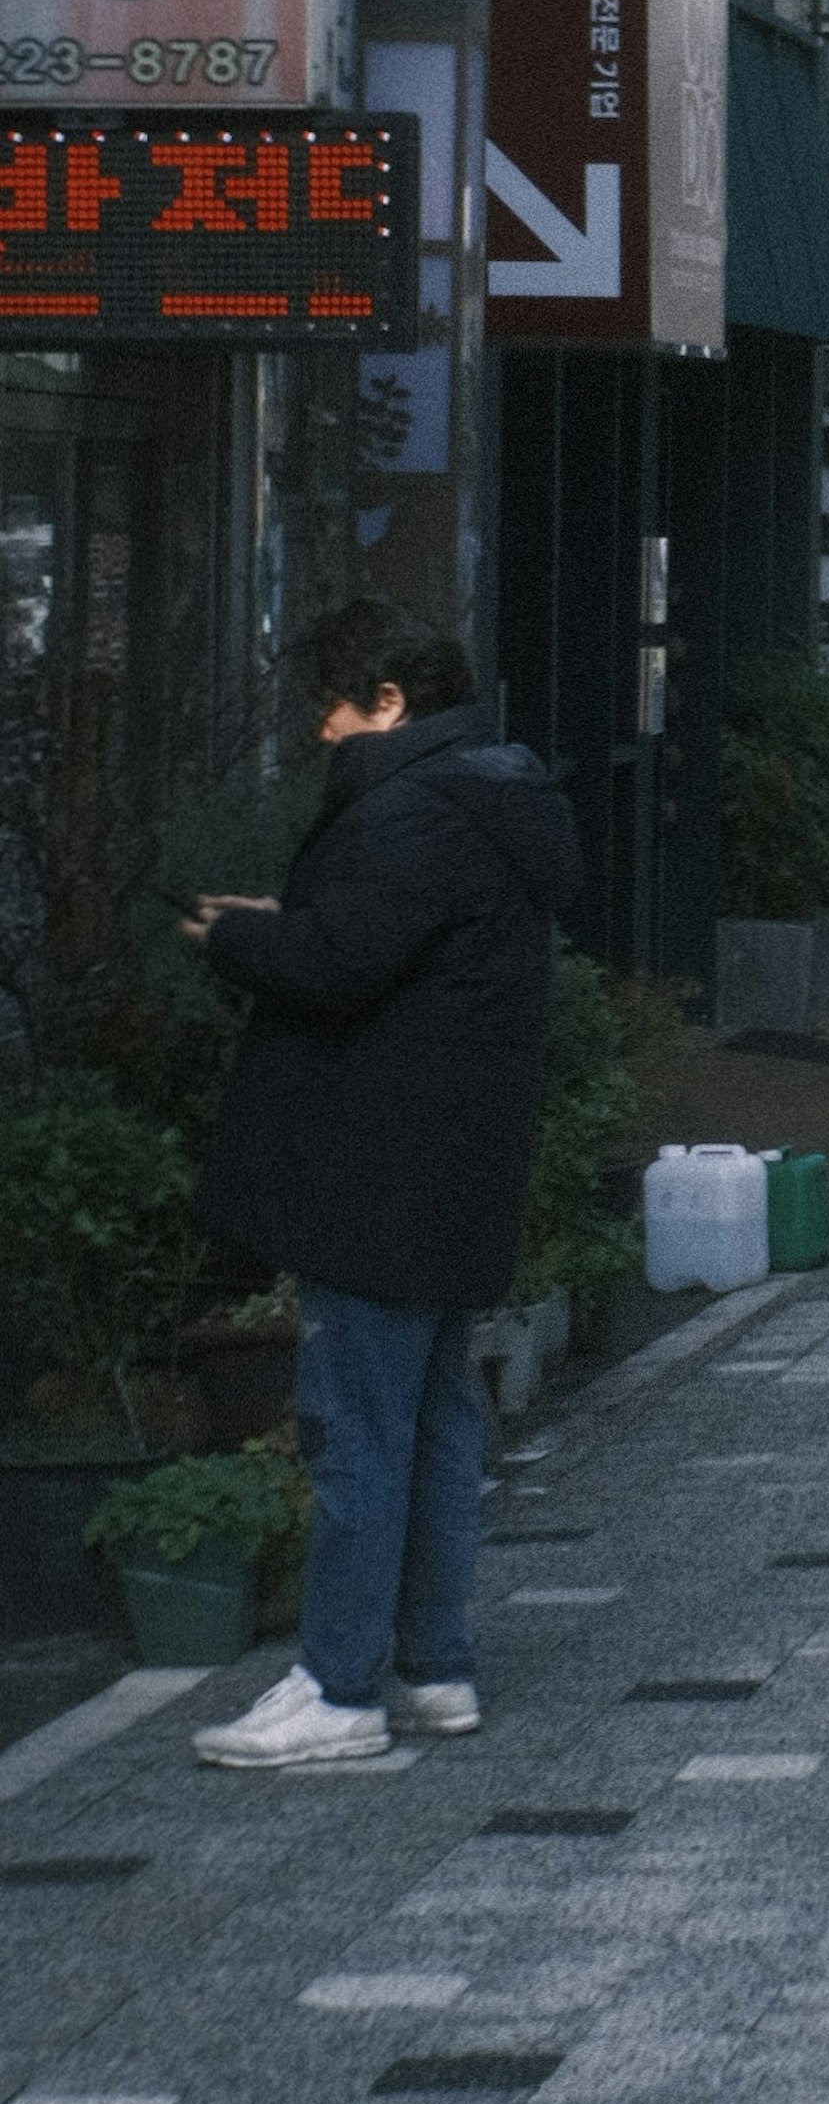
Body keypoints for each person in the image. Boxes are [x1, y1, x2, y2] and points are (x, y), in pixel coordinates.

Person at [178, 598, 584, 1774]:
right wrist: (289, 924)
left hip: (375, 1167)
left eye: (335, 707)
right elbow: (388, 944)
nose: (322, 733)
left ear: (391, 702)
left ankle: (341, 1683)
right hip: (458, 1162)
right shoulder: (489, 794)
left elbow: (341, 963)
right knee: (440, 1422)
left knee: (356, 1429)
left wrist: (240, 937)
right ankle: (433, 1664)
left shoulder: (406, 807)